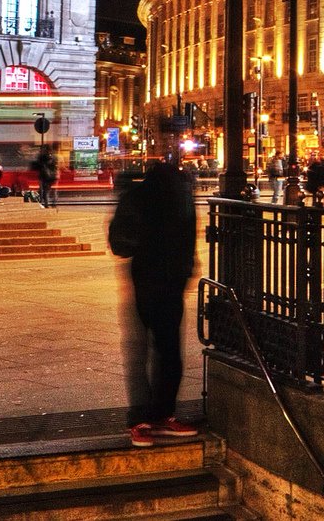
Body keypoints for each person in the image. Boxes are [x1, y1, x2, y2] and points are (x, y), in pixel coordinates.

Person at [109, 156, 199, 447]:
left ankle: (141, 419)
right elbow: (189, 243)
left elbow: (120, 244)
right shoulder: (183, 197)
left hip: (145, 278)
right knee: (169, 350)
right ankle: (163, 415)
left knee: (140, 349)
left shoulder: (139, 196)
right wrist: (185, 271)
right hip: (171, 281)